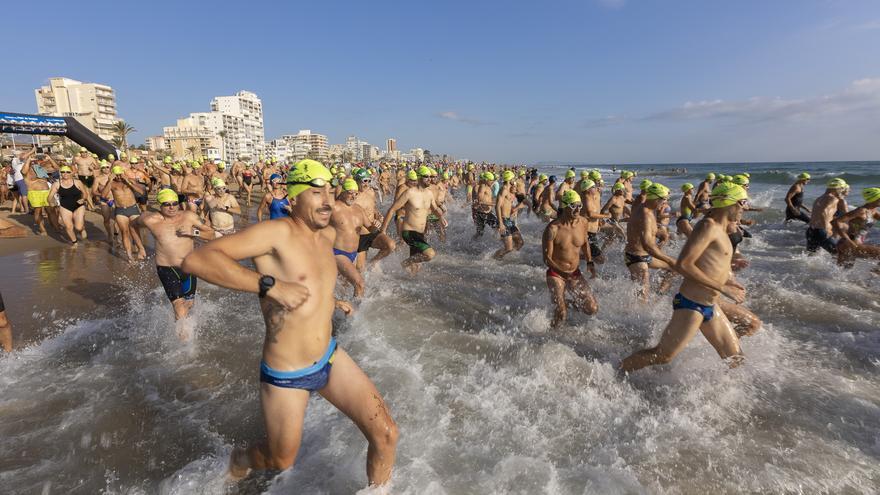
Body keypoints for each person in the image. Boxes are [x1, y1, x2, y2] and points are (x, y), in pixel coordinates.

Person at [180, 159, 398, 485]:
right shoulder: (276, 232)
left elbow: (320, 271)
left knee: (386, 434)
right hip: (287, 371)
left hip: (329, 356)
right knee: (281, 458)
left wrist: (334, 297)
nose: (326, 199)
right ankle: (240, 458)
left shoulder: (323, 235)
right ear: (293, 197)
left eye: (328, 190)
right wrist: (270, 285)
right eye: (315, 191)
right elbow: (197, 259)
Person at [620, 183, 749, 373]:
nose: (745, 208)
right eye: (742, 202)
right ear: (728, 203)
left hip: (710, 306)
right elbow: (684, 264)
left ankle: (722, 400)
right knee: (663, 355)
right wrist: (723, 289)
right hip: (691, 305)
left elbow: (707, 263)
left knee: (736, 359)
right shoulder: (708, 226)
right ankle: (617, 371)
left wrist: (728, 279)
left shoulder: (723, 229)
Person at [132, 189, 214, 338]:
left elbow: (211, 234)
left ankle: (178, 327)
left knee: (189, 304)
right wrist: (140, 247)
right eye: (167, 204)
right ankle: (184, 345)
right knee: (179, 305)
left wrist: (192, 233)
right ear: (160, 205)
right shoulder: (150, 219)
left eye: (175, 203)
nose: (172, 207)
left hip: (189, 267)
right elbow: (133, 225)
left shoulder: (189, 217)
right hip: (167, 268)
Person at [542, 190, 598, 327]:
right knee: (562, 313)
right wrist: (563, 272)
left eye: (579, 205)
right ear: (564, 206)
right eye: (573, 206)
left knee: (591, 309)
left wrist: (590, 261)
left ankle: (563, 303)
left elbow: (585, 243)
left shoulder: (583, 222)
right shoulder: (553, 229)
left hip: (574, 272)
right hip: (556, 274)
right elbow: (546, 259)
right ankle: (551, 335)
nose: (578, 209)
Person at [381, 165, 446, 274]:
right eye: (426, 177)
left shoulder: (429, 194)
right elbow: (392, 209)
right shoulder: (410, 193)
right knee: (430, 254)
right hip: (409, 232)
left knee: (415, 269)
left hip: (420, 233)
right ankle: (404, 263)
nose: (430, 179)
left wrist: (441, 218)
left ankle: (403, 279)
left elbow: (434, 209)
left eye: (430, 177)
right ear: (419, 178)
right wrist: (383, 230)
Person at [624, 183, 676, 301]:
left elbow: (645, 229)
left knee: (674, 269)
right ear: (656, 199)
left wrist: (660, 234)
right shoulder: (645, 214)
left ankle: (659, 294)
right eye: (664, 200)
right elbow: (648, 245)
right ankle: (629, 317)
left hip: (645, 256)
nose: (665, 203)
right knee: (642, 299)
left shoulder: (646, 209)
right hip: (636, 258)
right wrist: (669, 259)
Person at [331, 179, 373, 297]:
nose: (354, 196)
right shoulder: (333, 207)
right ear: (343, 192)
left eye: (356, 193)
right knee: (359, 283)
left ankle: (340, 310)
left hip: (352, 254)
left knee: (343, 287)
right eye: (351, 192)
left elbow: (370, 226)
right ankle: (356, 314)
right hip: (337, 253)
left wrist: (378, 229)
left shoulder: (358, 208)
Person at [351, 169, 396, 270]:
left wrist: (377, 215)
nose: (367, 184)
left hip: (373, 231)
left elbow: (373, 208)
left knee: (390, 245)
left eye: (369, 180)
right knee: (360, 270)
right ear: (357, 181)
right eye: (364, 181)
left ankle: (373, 262)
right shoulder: (353, 196)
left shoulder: (371, 192)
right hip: (360, 235)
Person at [101, 165, 147, 260]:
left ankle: (141, 249)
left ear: (123, 174)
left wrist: (128, 182)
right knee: (124, 232)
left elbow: (141, 192)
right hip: (120, 210)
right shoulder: (111, 183)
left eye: (120, 175)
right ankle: (129, 256)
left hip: (133, 208)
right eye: (116, 175)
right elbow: (103, 195)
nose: (118, 177)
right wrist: (109, 181)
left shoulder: (129, 181)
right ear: (113, 175)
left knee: (135, 231)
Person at [833, 187, 880, 266]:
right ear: (874, 199)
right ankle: (874, 274)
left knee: (843, 273)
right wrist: (847, 240)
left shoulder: (873, 211)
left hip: (850, 244)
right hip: (850, 244)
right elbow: (835, 222)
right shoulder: (861, 211)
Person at [47, 165, 94, 244]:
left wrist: (83, 199)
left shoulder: (77, 182)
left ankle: (82, 229)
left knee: (78, 227)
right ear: (60, 173)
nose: (65, 174)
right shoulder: (56, 184)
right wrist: (51, 202)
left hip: (78, 206)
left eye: (67, 172)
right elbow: (49, 197)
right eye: (63, 172)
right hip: (65, 206)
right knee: (69, 227)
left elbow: (85, 193)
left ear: (71, 173)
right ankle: (74, 242)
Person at [806, 178, 848, 255]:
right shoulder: (832, 198)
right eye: (842, 188)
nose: (842, 190)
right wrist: (826, 228)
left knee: (811, 256)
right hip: (821, 231)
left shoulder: (819, 198)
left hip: (811, 231)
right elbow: (823, 212)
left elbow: (815, 214)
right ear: (838, 187)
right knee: (840, 254)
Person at [494, 171, 526, 259]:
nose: (514, 180)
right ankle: (494, 258)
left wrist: (517, 208)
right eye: (513, 178)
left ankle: (505, 256)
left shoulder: (509, 190)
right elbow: (497, 206)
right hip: (503, 220)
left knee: (520, 243)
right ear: (509, 179)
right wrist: (500, 223)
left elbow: (508, 206)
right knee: (508, 248)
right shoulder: (504, 190)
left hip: (509, 220)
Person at [91, 161, 117, 244]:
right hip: (104, 201)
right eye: (103, 167)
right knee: (106, 219)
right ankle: (110, 234)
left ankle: (116, 234)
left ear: (110, 168)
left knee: (117, 219)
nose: (106, 169)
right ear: (101, 169)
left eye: (107, 167)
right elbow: (94, 191)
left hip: (115, 200)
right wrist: (102, 195)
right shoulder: (98, 178)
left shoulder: (115, 176)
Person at [472, 171, 498, 238]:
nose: (492, 182)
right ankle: (471, 245)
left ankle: (495, 239)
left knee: (497, 227)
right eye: (491, 180)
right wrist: (493, 204)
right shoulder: (482, 187)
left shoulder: (488, 187)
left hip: (487, 212)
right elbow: (480, 201)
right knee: (480, 233)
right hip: (482, 214)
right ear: (486, 180)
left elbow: (488, 198)